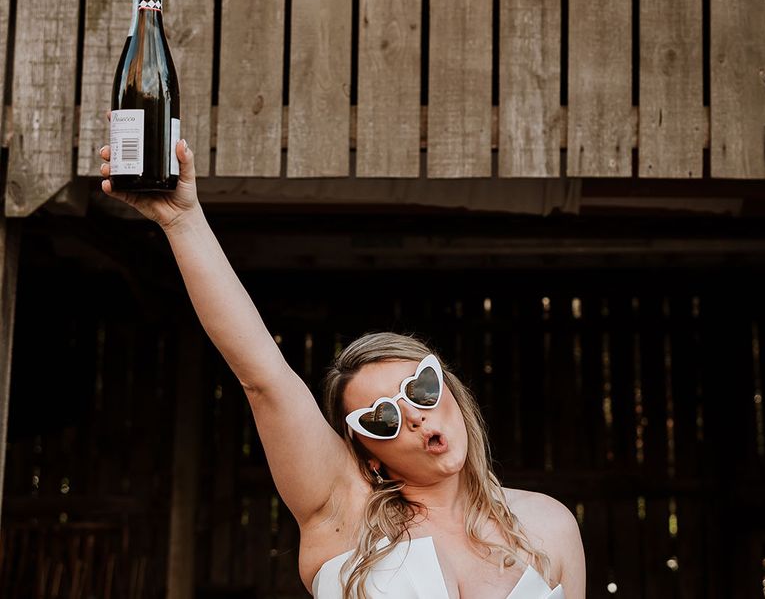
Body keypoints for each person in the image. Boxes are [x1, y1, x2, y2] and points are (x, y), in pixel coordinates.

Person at [99, 139, 586, 598]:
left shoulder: (548, 524)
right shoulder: (342, 512)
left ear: (451, 392)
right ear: (369, 454)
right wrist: (182, 220)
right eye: (381, 417)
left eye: (421, 388)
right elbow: (263, 377)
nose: (414, 415)